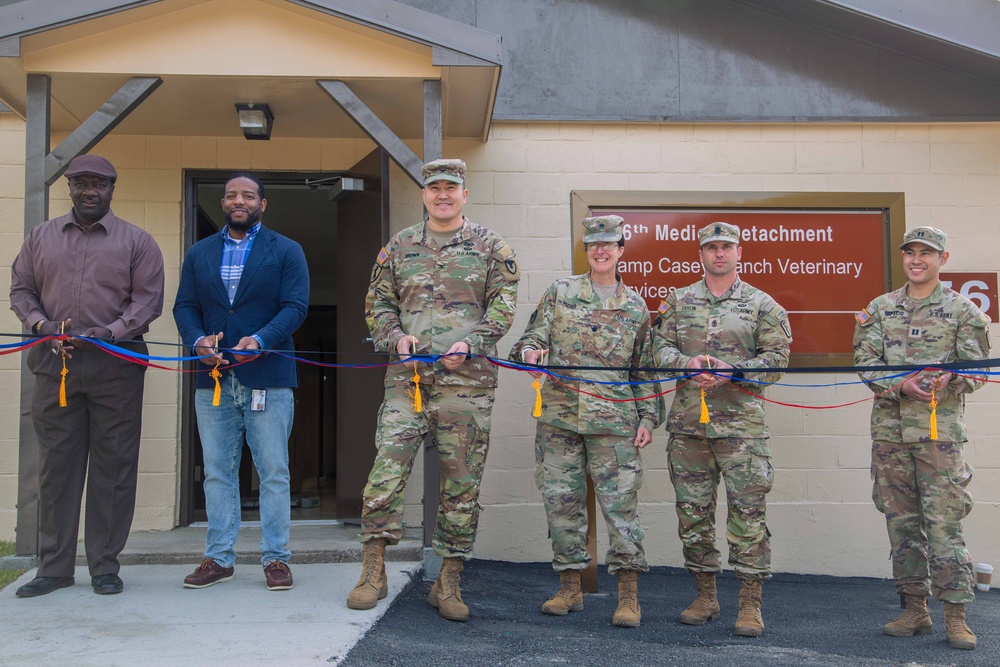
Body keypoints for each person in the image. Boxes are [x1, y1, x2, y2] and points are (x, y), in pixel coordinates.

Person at [347, 159, 519, 622]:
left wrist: (473, 343)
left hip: (467, 386)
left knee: (461, 484)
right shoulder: (400, 246)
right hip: (408, 383)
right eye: (434, 188)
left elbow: (504, 306)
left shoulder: (489, 246)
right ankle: (373, 571)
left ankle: (448, 581)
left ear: (465, 194)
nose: (443, 194)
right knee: (385, 474)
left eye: (451, 188)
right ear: (424, 195)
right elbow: (378, 304)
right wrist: (394, 338)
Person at [10, 154, 165, 598]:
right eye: (80, 183)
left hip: (115, 367)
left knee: (113, 469)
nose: (89, 191)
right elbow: (21, 289)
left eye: (99, 184)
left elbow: (147, 302)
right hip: (53, 365)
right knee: (56, 470)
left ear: (112, 189)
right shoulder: (40, 237)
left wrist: (108, 334)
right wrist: (41, 326)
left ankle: (104, 566)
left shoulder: (138, 242)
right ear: (70, 188)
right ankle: (54, 567)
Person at [509, 215, 662, 628]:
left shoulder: (635, 307)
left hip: (615, 424)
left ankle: (628, 595)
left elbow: (643, 371)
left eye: (609, 244)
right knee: (562, 505)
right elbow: (530, 339)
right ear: (587, 249)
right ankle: (570, 588)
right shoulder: (560, 292)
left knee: (621, 509)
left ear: (621, 250)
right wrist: (529, 355)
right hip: (560, 419)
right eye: (594, 244)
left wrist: (648, 416)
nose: (600, 250)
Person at [651, 221, 791, 637]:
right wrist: (686, 365)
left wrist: (737, 371)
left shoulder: (761, 304)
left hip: (741, 430)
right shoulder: (677, 301)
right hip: (689, 427)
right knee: (693, 515)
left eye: (726, 246)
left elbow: (779, 357)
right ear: (701, 254)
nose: (718, 253)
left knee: (748, 516)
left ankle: (749, 604)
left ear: (739, 252)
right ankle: (705, 596)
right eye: (711, 247)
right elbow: (659, 347)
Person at [853, 226, 989, 651]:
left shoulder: (963, 310)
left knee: (945, 525)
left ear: (941, 260)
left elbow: (978, 369)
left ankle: (956, 616)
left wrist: (951, 378)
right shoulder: (880, 308)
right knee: (902, 525)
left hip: (938, 437)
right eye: (910, 252)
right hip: (891, 437)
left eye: (926, 253)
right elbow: (865, 362)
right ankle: (915, 609)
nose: (916, 260)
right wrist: (897, 385)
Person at [173, 173, 309, 592]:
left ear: (262, 205)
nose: (239, 201)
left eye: (248, 195)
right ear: (223, 203)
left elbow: (296, 306)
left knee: (272, 470)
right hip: (212, 377)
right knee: (217, 471)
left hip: (267, 374)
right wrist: (197, 341)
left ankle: (276, 559)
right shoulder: (199, 252)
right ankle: (218, 558)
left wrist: (262, 339)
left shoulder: (286, 250)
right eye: (231, 195)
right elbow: (185, 306)